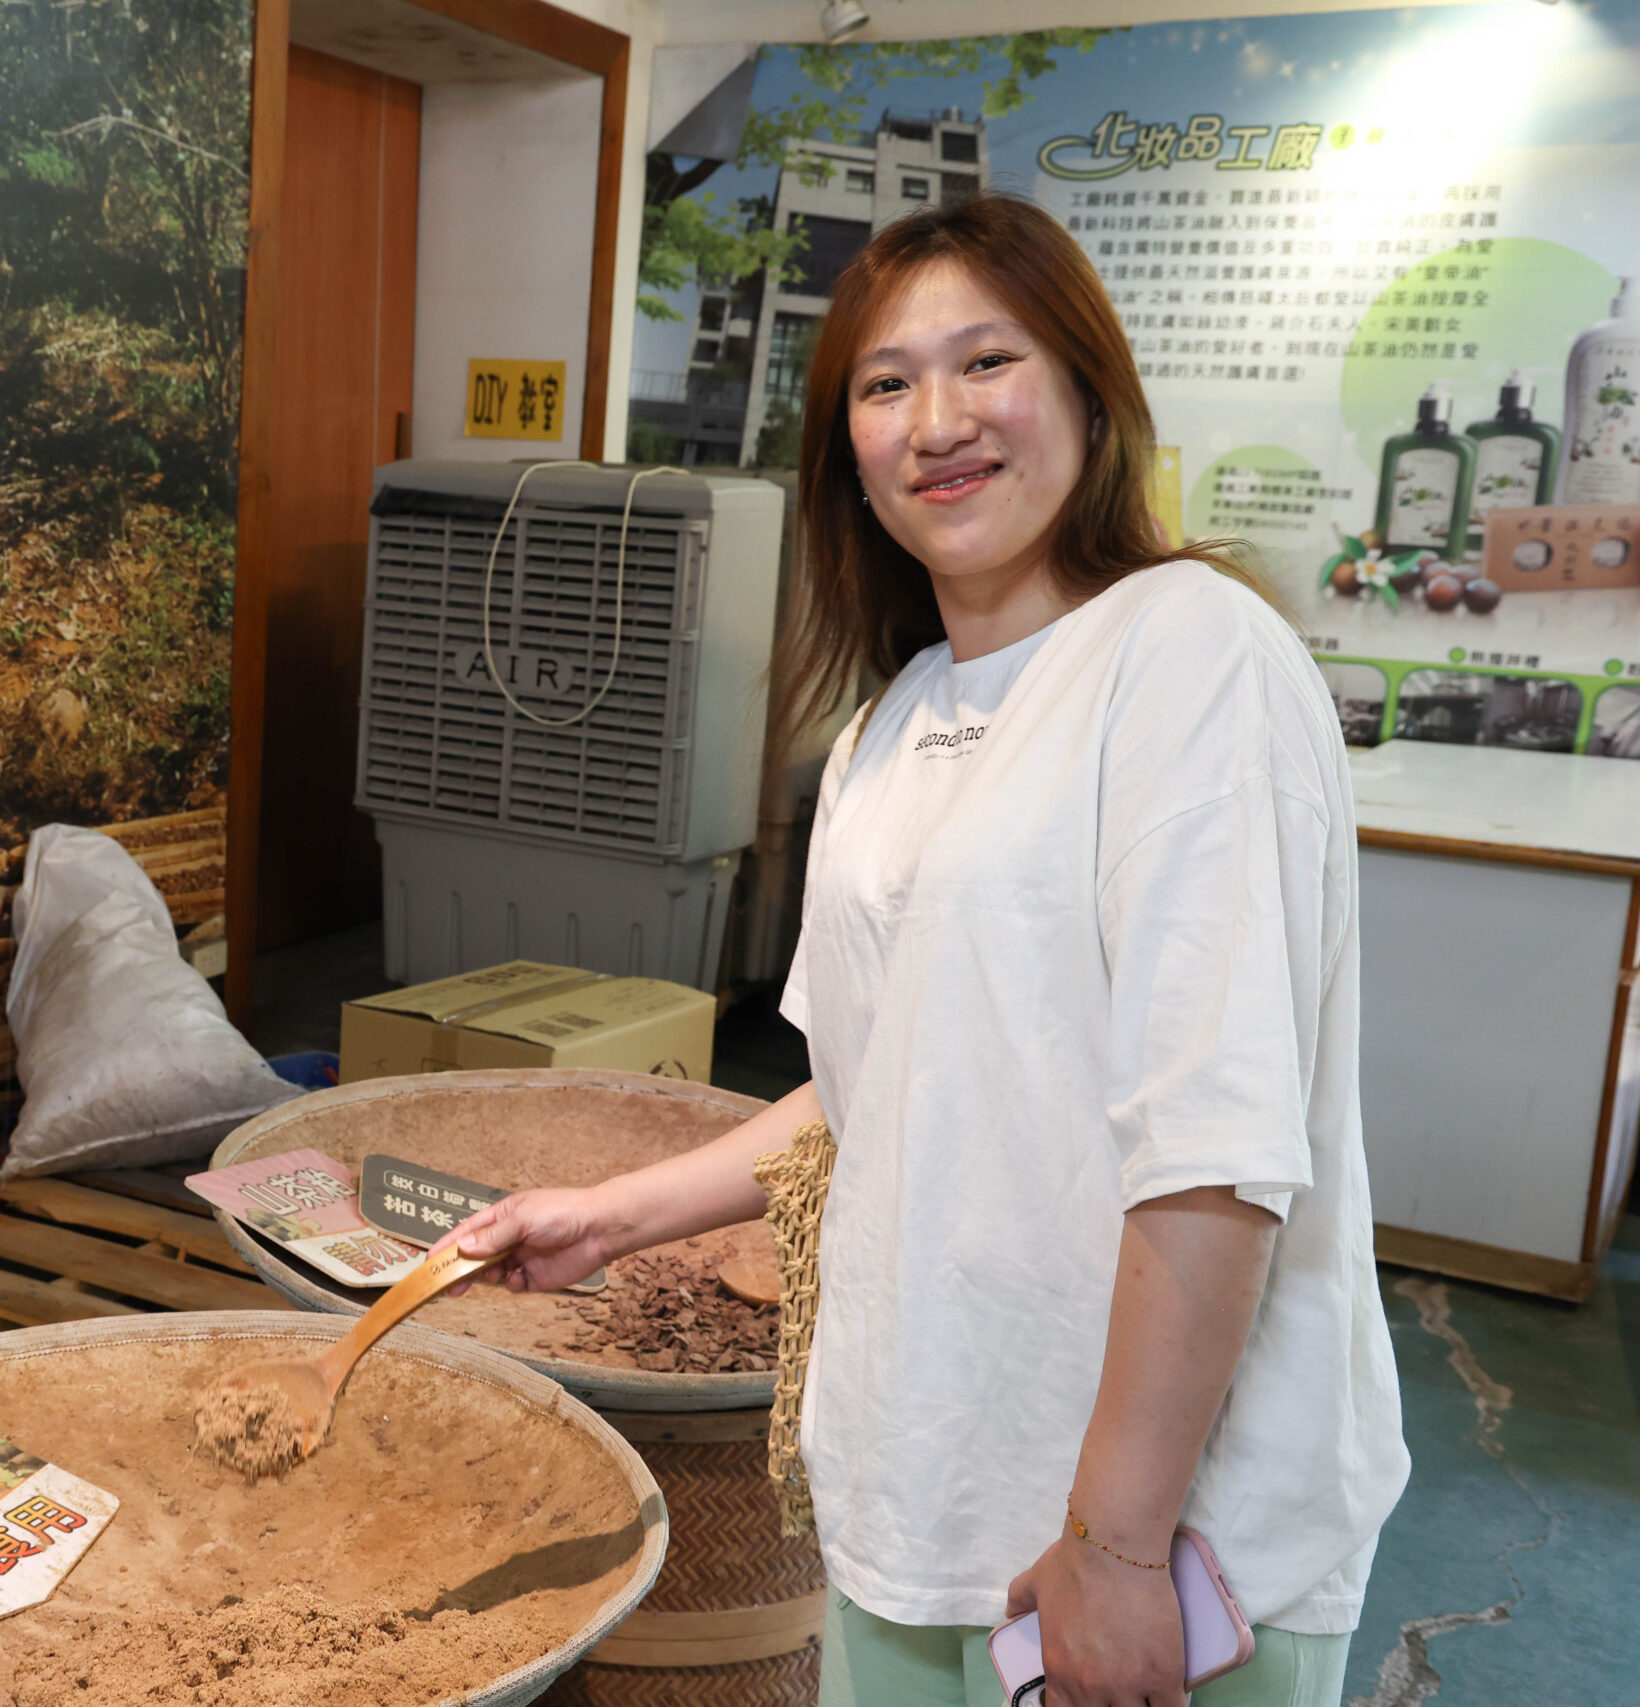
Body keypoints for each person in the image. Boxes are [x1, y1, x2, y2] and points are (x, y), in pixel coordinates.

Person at [446, 196, 1407, 1707]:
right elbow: (870, 1088)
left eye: (987, 361)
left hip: (1153, 1551)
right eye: (885, 386)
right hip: (919, 1504)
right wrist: (610, 1214)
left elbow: (1214, 1155)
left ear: (1091, 393)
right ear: (848, 454)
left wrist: (1116, 1543)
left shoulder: (1189, 654)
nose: (937, 421)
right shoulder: (887, 732)